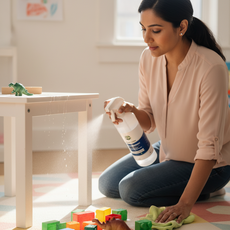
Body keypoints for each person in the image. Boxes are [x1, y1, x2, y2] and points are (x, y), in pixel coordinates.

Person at [99, 0, 230, 224]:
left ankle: (205, 189)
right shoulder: (148, 59)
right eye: (143, 28)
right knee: (108, 184)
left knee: (130, 190)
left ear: (182, 27)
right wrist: (130, 111)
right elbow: (149, 121)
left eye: (156, 30)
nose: (146, 38)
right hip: (168, 151)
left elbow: (209, 146)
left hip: (210, 163)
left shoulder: (211, 67)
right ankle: (196, 189)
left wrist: (185, 203)